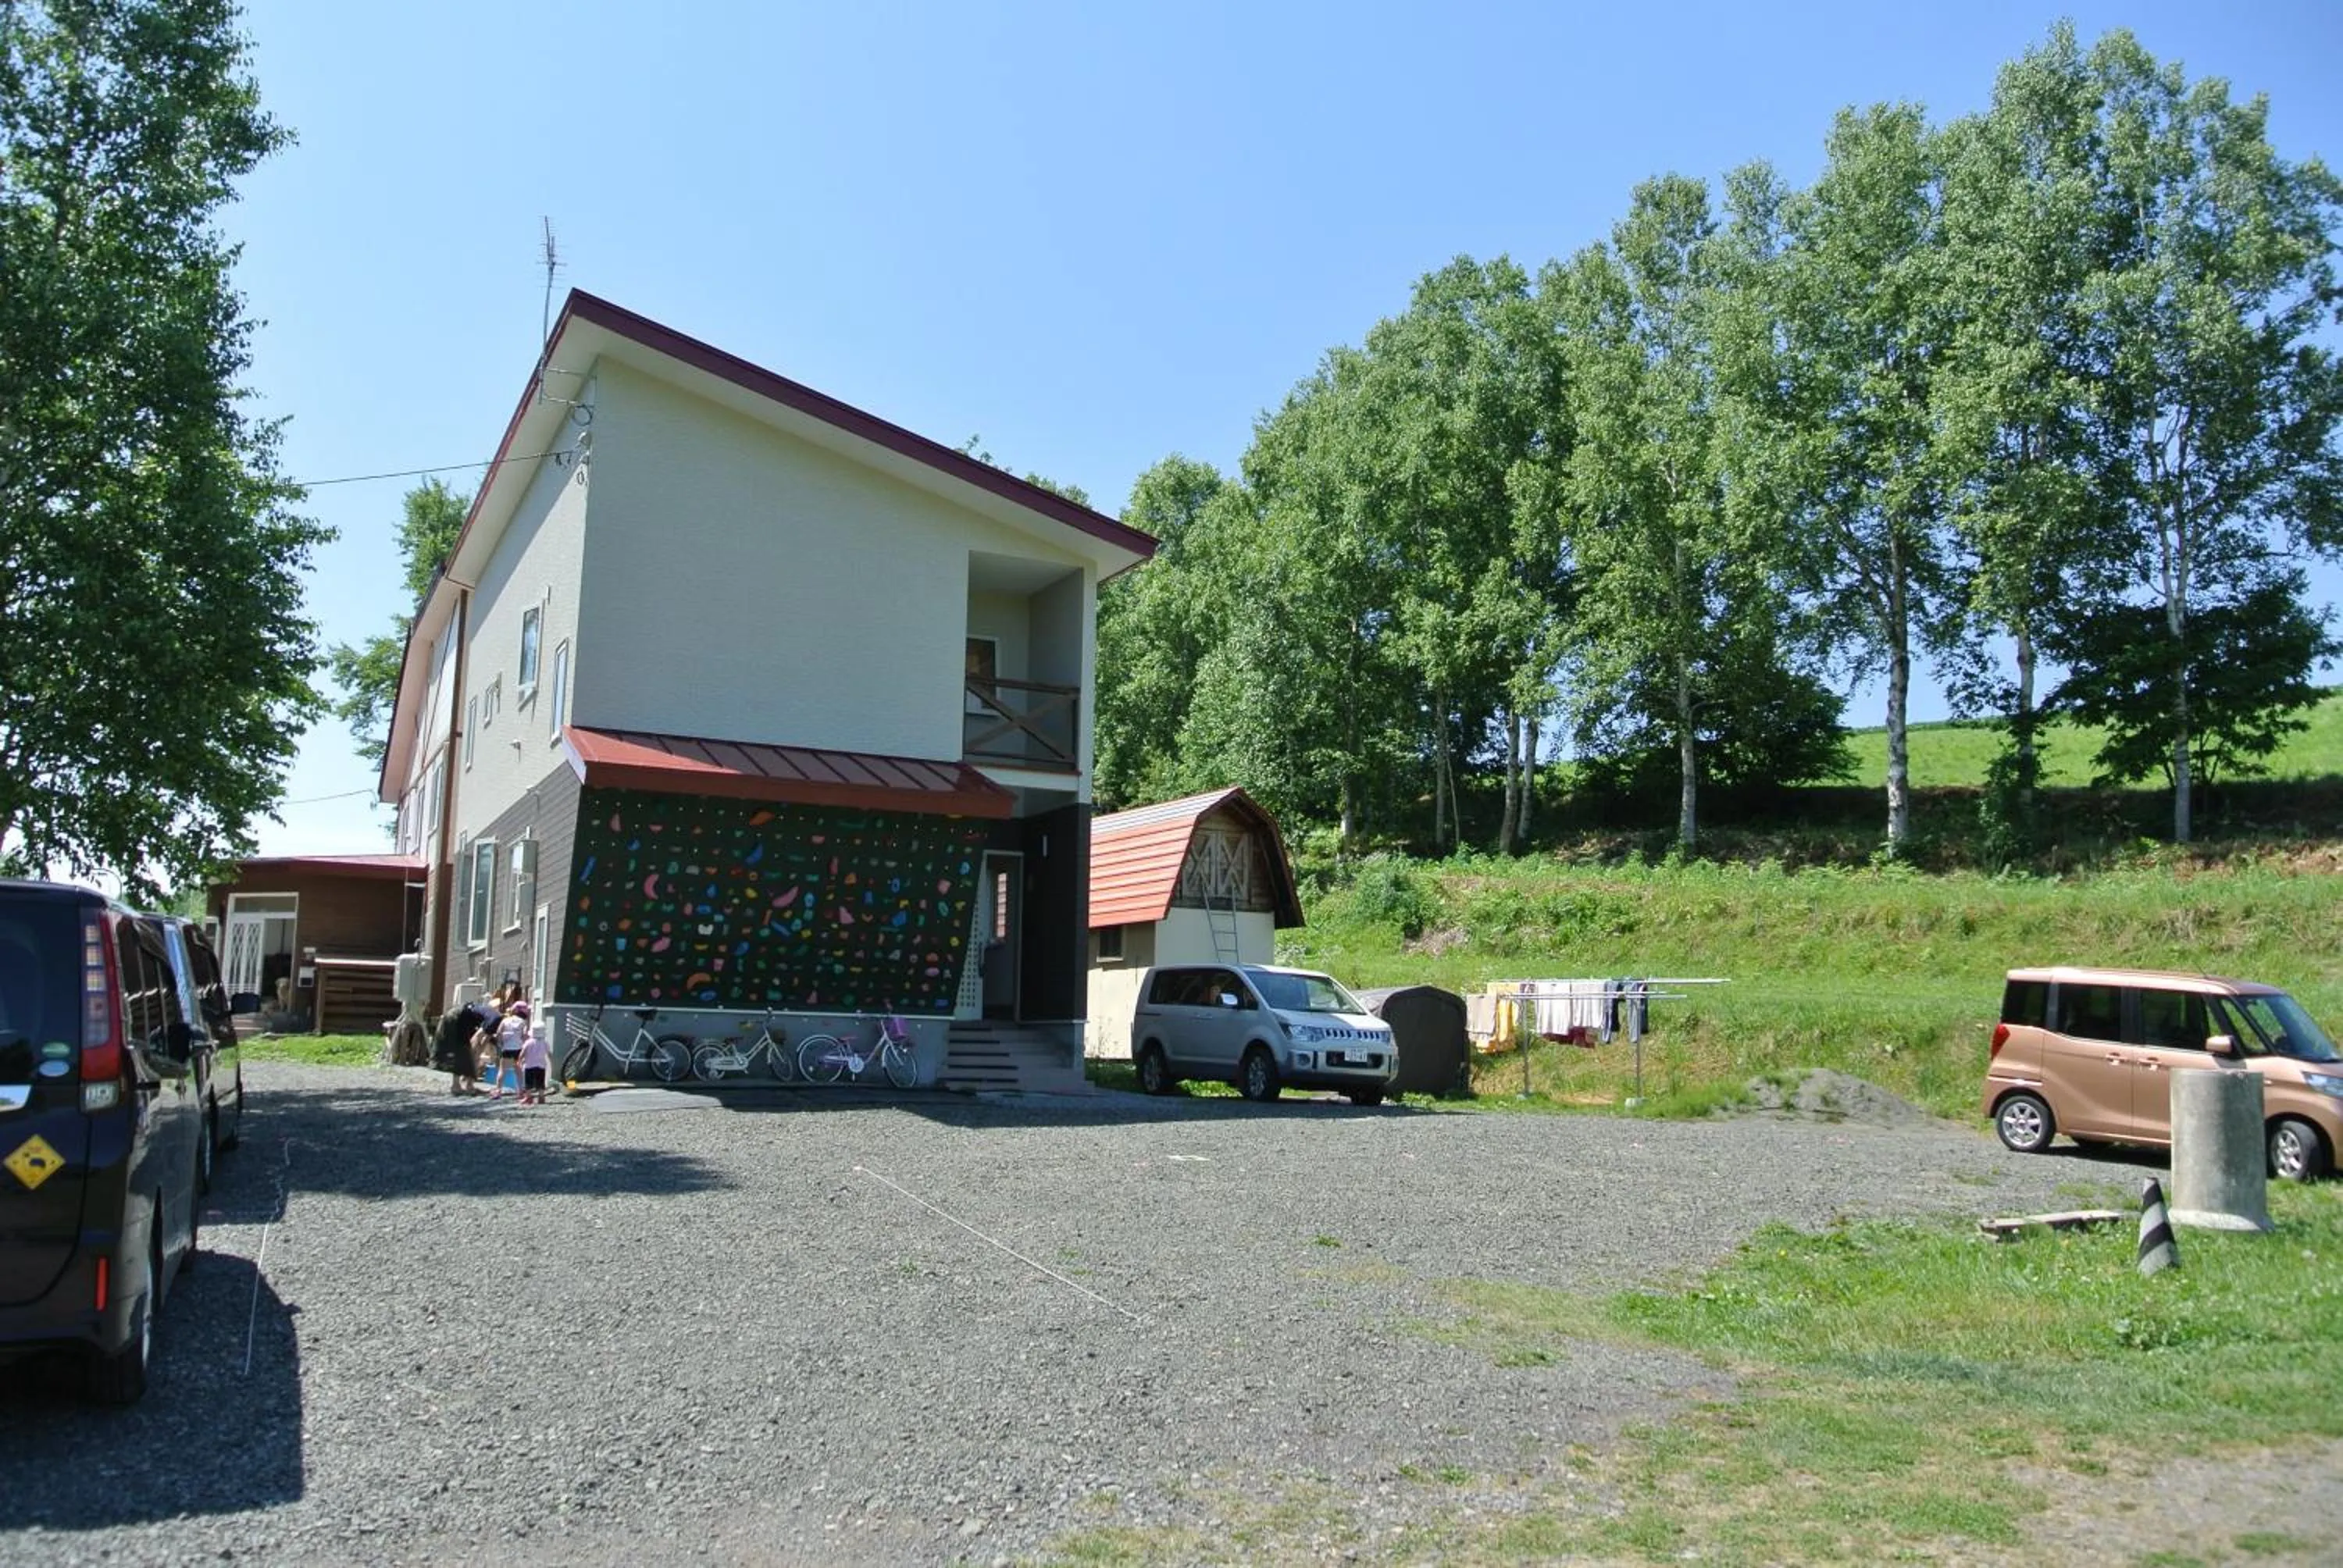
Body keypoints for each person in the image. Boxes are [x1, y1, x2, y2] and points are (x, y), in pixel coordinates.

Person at [432, 993, 497, 1096]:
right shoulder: (495, 1019)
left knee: (462, 1052)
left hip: (454, 1015)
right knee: (463, 1051)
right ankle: (464, 1086)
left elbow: (483, 1041)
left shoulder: (489, 1017)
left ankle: (460, 1085)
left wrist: (476, 1056)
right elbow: (477, 1039)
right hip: (458, 1016)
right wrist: (474, 1058)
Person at [489, 999, 529, 1100]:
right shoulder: (523, 1022)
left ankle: (498, 1091)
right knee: (518, 1070)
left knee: (502, 1070)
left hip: (506, 1049)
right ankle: (520, 1091)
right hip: (518, 1049)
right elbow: (524, 1036)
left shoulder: (505, 1020)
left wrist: (500, 1043)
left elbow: (498, 1033)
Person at [516, 1014, 552, 1105]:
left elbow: (523, 1052)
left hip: (529, 1065)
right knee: (540, 1082)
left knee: (528, 1083)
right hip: (541, 1065)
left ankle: (528, 1097)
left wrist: (519, 1060)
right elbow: (549, 1053)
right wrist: (551, 1062)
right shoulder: (545, 1042)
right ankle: (541, 1098)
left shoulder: (529, 1042)